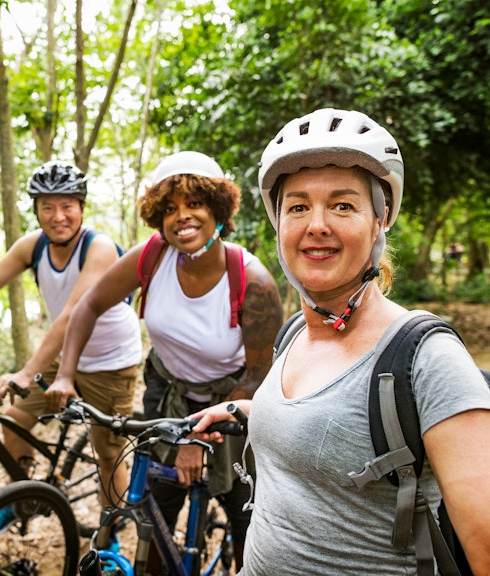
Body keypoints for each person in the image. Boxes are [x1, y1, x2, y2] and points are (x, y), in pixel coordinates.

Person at [190, 108, 490, 575]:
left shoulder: (425, 359)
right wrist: (245, 411)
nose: (317, 224)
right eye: (298, 206)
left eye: (343, 205)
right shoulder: (293, 334)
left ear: (380, 220)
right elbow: (326, 422)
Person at [46, 151, 284, 570]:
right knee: (155, 513)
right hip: (168, 392)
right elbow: (87, 306)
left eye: (195, 204)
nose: (182, 217)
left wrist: (196, 438)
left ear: (217, 209)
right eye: (170, 208)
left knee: (245, 512)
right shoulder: (151, 256)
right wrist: (65, 375)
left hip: (233, 399)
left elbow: (259, 375)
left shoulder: (253, 281)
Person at [0, 161, 142, 535]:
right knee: (13, 421)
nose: (58, 216)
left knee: (108, 453)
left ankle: (109, 536)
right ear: (36, 210)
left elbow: (72, 313)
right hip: (63, 358)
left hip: (110, 361)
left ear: (82, 208)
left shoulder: (99, 247)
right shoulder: (32, 246)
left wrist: (26, 372)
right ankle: (23, 498)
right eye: (47, 207)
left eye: (67, 206)